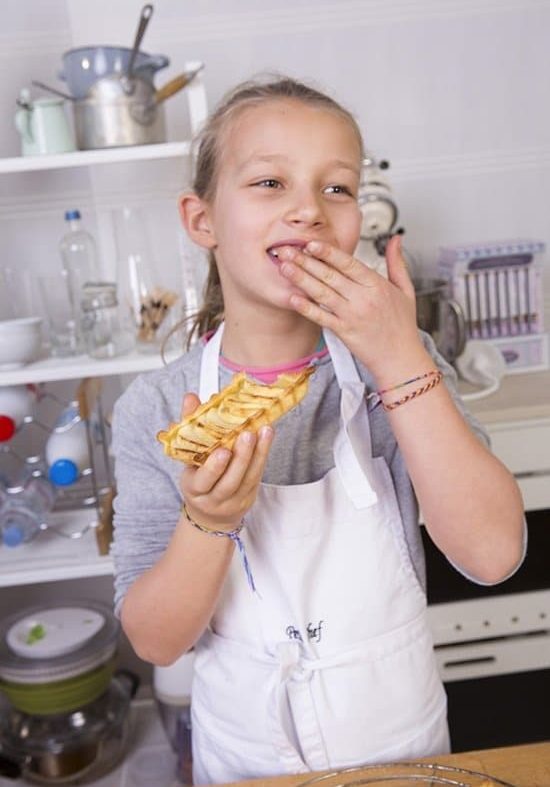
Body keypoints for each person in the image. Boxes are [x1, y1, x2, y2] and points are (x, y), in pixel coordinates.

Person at [111, 75, 525, 784]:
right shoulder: (156, 408)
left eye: (337, 189)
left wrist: (399, 354)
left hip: (405, 753)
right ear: (201, 219)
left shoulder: (396, 368)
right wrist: (208, 520)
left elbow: (493, 554)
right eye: (270, 181)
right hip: (247, 762)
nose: (307, 209)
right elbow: (157, 639)